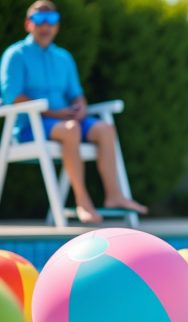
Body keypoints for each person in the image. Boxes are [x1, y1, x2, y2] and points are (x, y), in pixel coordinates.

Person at [0, 0, 147, 224]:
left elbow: (76, 93)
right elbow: (13, 97)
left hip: (67, 121)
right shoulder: (15, 55)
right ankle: (82, 201)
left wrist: (80, 107)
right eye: (40, 20)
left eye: (52, 21)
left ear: (57, 25)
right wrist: (58, 114)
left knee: (105, 129)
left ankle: (114, 196)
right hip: (31, 126)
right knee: (71, 130)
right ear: (29, 24)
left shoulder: (64, 58)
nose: (46, 26)